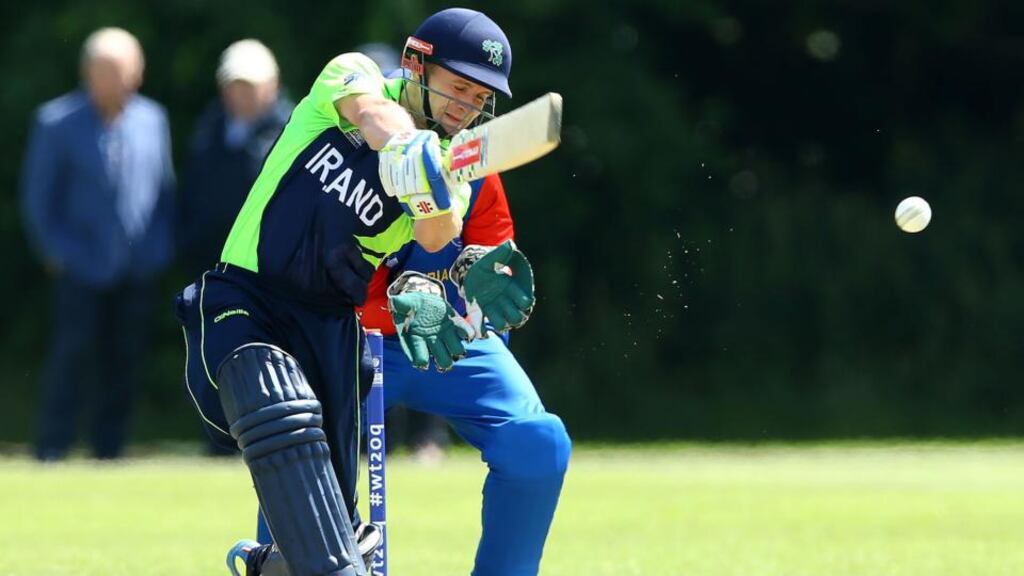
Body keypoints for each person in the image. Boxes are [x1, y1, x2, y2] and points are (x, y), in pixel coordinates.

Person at [177, 7, 535, 575]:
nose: (466, 108)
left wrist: (431, 188)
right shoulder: (356, 73)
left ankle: (265, 564)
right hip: (247, 298)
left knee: (325, 543)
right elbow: (370, 115)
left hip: (332, 330)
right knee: (280, 407)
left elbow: (436, 234)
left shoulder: (454, 174)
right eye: (458, 88)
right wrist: (410, 150)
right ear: (417, 65)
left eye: (480, 99)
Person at [20, 27, 175, 461]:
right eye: (118, 72)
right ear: (90, 72)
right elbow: (38, 201)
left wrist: (156, 252)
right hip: (80, 270)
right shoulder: (55, 122)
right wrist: (59, 256)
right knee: (71, 361)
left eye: (133, 71)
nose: (129, 81)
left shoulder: (153, 119)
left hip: (135, 270)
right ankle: (52, 449)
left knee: (123, 364)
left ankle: (111, 451)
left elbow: (165, 193)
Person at [179, 39, 294, 280]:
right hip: (210, 259)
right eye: (234, 85)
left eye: (249, 85)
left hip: (264, 266)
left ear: (273, 85)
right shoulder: (210, 125)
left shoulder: (292, 130)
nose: (240, 93)